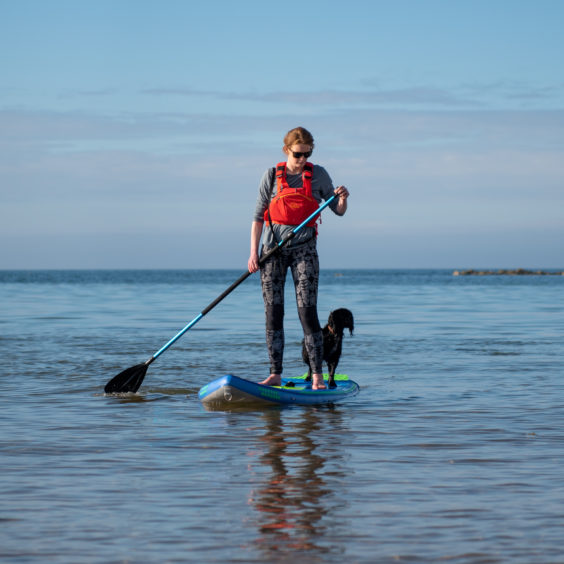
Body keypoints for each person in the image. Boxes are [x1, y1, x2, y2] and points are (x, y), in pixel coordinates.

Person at [247, 127, 349, 390]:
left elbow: (338, 211)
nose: (303, 159)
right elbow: (258, 217)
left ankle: (317, 377)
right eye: (298, 154)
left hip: (304, 249)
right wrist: (252, 254)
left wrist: (342, 199)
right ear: (286, 150)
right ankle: (275, 375)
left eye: (308, 154)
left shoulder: (319, 175)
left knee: (307, 312)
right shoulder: (270, 177)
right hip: (272, 251)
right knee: (273, 314)